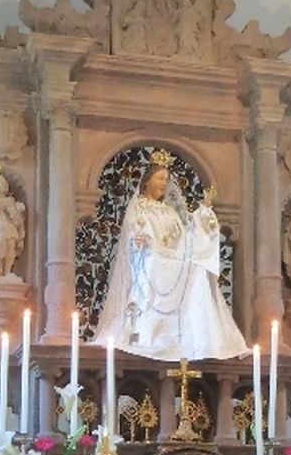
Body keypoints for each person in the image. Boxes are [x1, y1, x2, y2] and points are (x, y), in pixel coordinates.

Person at [93, 153, 248, 361]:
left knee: (198, 268)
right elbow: (134, 235)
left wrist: (201, 219)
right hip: (149, 259)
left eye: (166, 179)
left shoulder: (169, 211)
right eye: (160, 178)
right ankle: (149, 333)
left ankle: (196, 337)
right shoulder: (137, 207)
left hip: (171, 259)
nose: (164, 183)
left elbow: (184, 238)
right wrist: (141, 241)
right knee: (156, 264)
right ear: (147, 181)